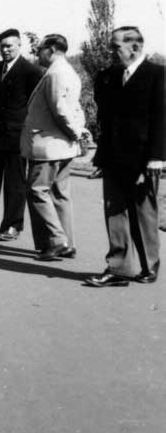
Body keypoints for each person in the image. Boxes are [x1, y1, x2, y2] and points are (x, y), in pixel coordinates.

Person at [86, 26, 165, 287]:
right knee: (114, 214)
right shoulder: (110, 76)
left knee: (144, 214)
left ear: (135, 47)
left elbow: (161, 119)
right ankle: (118, 268)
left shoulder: (157, 75)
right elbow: (106, 120)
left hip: (143, 160)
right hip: (114, 158)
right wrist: (100, 158)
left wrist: (157, 157)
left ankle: (149, 265)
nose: (110, 51)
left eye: (115, 46)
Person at [20, 34, 86, 261]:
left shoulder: (56, 73)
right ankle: (66, 242)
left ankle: (57, 241)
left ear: (52, 49)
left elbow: (60, 109)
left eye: (39, 49)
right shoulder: (67, 72)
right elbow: (74, 109)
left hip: (49, 146)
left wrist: (74, 132)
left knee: (38, 191)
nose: (37, 53)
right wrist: (76, 132)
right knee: (59, 194)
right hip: (61, 146)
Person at [0, 28, 44, 241]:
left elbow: (36, 104)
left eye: (9, 46)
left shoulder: (31, 71)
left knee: (15, 183)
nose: (5, 50)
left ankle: (12, 226)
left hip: (18, 135)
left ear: (19, 45)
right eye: (2, 47)